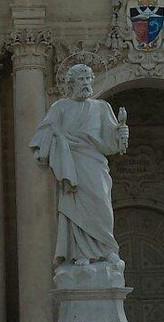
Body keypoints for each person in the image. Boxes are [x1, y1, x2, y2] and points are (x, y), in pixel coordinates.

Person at [30, 64, 130, 269]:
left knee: (101, 206)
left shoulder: (102, 107)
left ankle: (107, 249)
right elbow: (42, 136)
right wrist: (55, 139)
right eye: (81, 79)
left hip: (95, 164)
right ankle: (80, 252)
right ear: (70, 83)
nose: (85, 83)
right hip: (71, 164)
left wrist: (121, 135)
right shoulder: (60, 107)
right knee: (75, 209)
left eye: (88, 79)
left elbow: (111, 142)